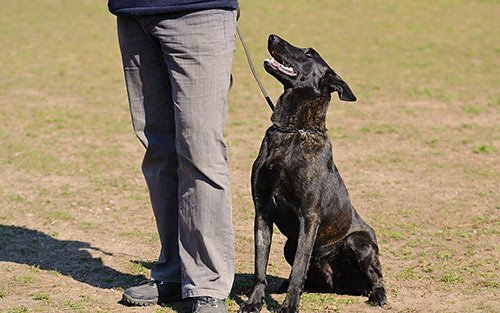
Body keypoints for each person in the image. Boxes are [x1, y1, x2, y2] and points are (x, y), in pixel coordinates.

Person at [107, 1, 239, 312]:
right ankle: (174, 272)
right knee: (158, 149)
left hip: (199, 11)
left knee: (200, 151)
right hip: (133, 13)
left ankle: (207, 284)